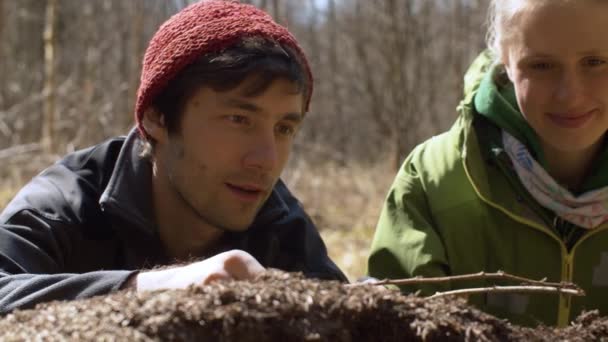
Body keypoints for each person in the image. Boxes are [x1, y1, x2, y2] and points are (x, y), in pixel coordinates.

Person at [0, 0, 346, 315]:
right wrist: (152, 287)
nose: (266, 159)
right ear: (156, 117)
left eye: (284, 128)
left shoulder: (280, 223)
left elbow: (340, 313)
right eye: (239, 120)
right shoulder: (64, 204)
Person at [367, 0, 608, 327]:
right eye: (541, 66)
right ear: (505, 62)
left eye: (595, 62)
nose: (570, 95)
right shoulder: (433, 180)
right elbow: (397, 327)